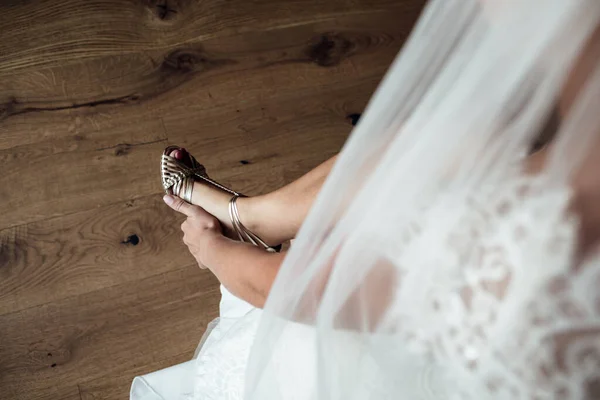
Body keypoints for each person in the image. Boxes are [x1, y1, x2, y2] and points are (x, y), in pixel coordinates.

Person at [132, 1, 600, 399]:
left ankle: (243, 221)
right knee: (451, 148)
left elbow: (285, 291)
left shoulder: (534, 239)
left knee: (443, 163)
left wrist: (208, 246)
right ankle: (254, 216)